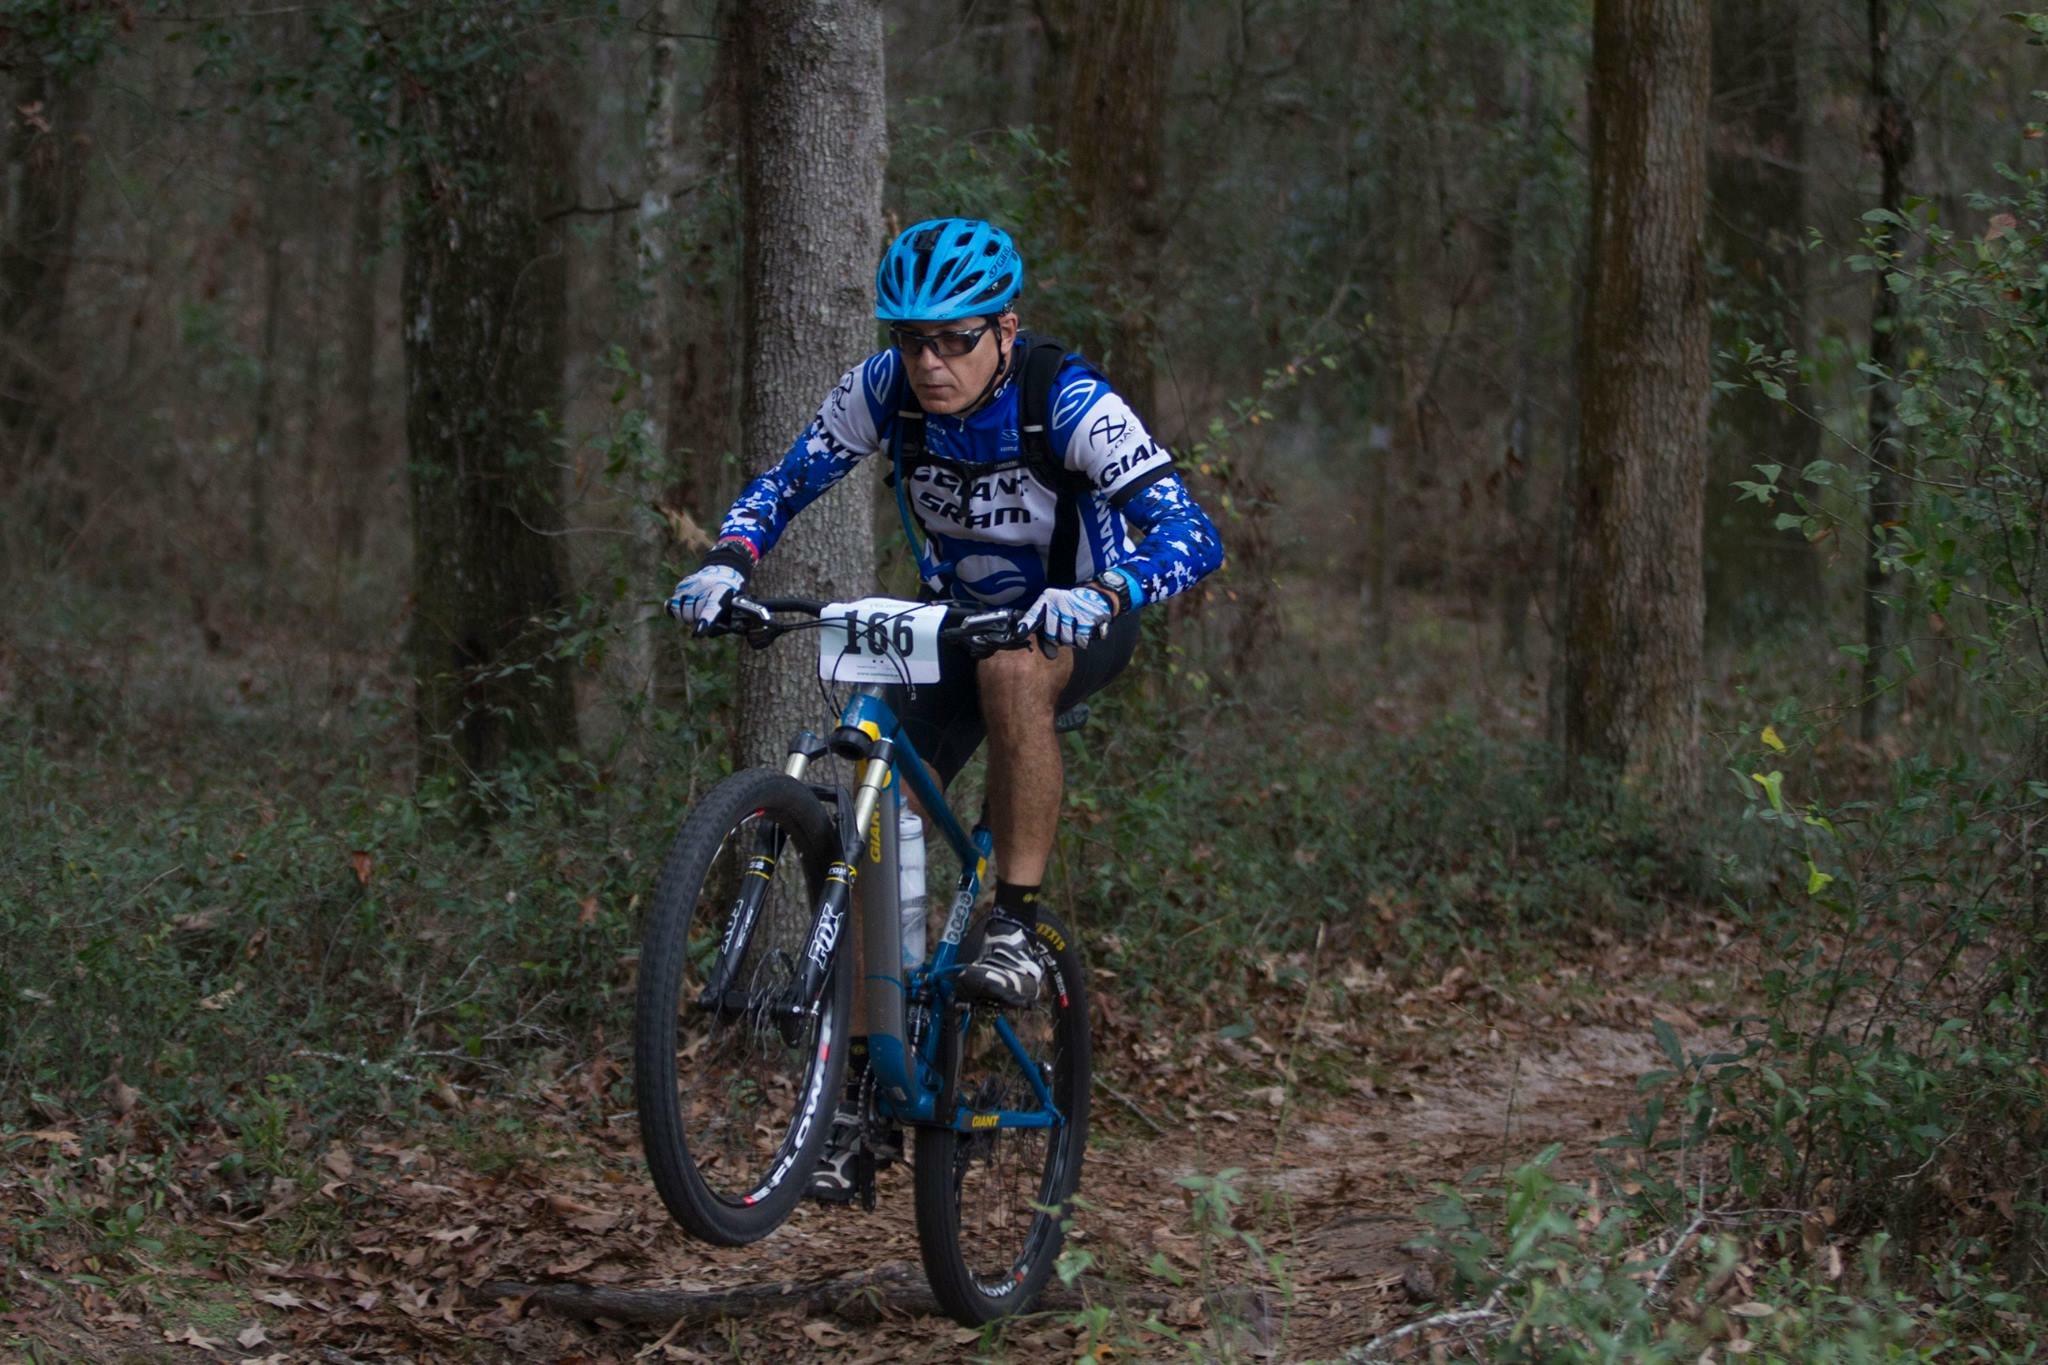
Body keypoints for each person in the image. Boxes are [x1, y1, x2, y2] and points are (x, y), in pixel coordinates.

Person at [666, 217, 1223, 1198]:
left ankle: (1012, 922)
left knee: (1016, 676)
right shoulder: (883, 391)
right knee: (871, 790)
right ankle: (865, 1090)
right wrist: (725, 560)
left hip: (1079, 619)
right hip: (957, 625)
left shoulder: (1071, 402)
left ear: (1004, 329)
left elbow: (1191, 532)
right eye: (909, 341)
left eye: (951, 340)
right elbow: (786, 482)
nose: (927, 363)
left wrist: (1105, 590)